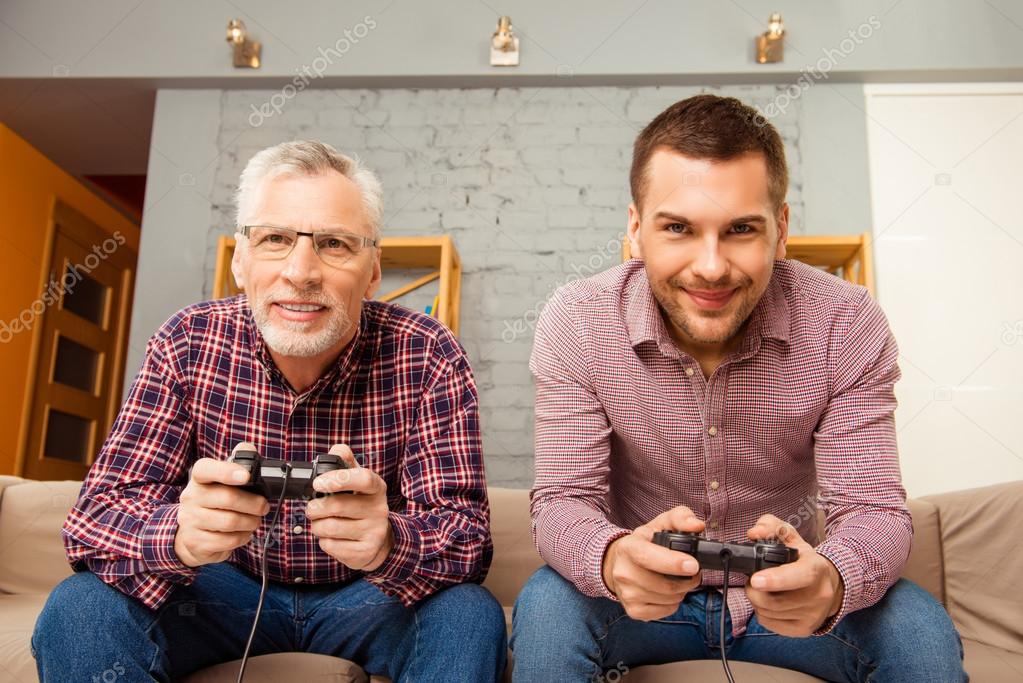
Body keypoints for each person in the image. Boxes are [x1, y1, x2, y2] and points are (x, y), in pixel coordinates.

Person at [511, 95, 966, 682]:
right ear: (634, 230)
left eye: (740, 230)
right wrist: (612, 557)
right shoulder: (578, 320)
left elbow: (872, 510)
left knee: (920, 632)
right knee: (547, 606)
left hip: (785, 601)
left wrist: (831, 579)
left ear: (779, 231)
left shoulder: (845, 322)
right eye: (678, 228)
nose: (710, 267)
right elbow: (563, 501)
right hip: (635, 603)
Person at [32, 140, 506, 683]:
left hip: (370, 598)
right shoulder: (188, 340)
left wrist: (390, 541)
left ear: (373, 272)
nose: (301, 272)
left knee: (469, 614)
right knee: (80, 606)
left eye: (334, 244)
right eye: (276, 239)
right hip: (217, 593)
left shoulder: (428, 351)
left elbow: (468, 540)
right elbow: (91, 524)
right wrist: (179, 534)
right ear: (240, 260)